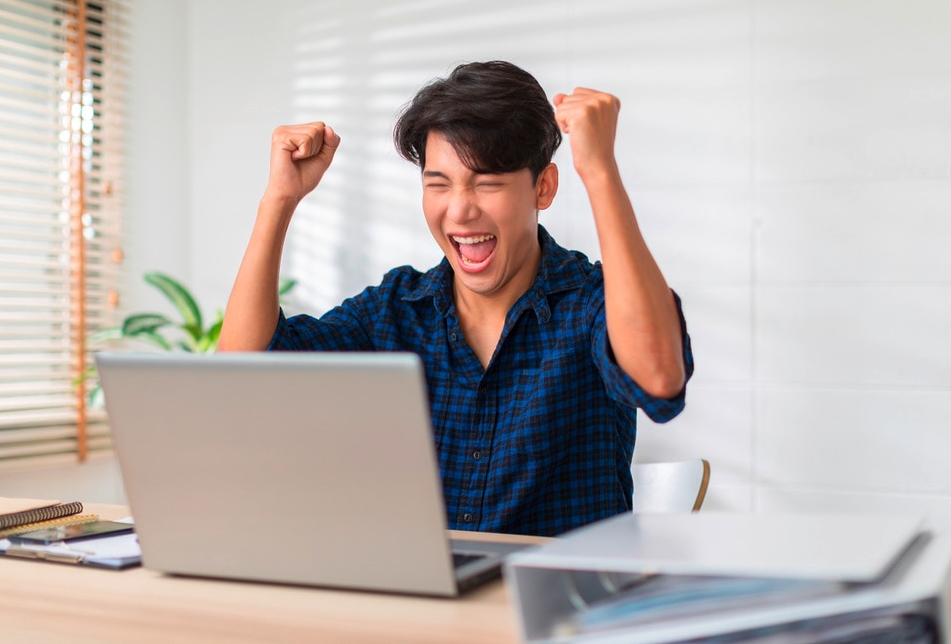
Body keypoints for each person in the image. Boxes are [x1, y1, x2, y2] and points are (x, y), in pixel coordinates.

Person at [219, 60, 693, 537]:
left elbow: (658, 377)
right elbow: (243, 374)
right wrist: (279, 200)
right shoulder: (394, 310)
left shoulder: (592, 301)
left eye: (487, 183)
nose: (460, 211)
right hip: (427, 602)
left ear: (542, 187)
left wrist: (599, 170)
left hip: (561, 600)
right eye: (438, 184)